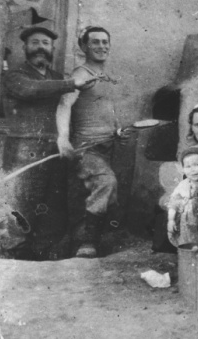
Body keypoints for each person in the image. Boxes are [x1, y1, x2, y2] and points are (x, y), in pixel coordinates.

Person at [2, 26, 95, 259]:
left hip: (54, 149)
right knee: (22, 204)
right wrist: (71, 83)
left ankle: (42, 254)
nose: (40, 48)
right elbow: (30, 90)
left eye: (45, 43)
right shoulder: (15, 76)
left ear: (52, 48)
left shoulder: (56, 77)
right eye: (34, 43)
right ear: (25, 47)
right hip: (24, 148)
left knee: (52, 205)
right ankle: (16, 255)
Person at [56, 26, 132, 258]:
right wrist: (62, 137)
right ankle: (86, 243)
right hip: (87, 148)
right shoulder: (80, 74)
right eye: (95, 42)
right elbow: (64, 104)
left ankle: (96, 242)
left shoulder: (105, 77)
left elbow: (103, 110)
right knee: (106, 182)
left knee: (112, 194)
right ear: (84, 47)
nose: (102, 46)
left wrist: (117, 130)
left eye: (105, 42)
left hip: (110, 146)